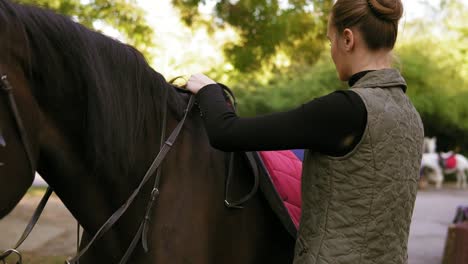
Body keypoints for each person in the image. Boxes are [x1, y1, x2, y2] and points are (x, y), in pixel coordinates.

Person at [186, 0, 424, 263]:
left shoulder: (345, 110)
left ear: (347, 39)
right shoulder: (411, 116)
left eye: (330, 40)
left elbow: (226, 132)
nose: (332, 50)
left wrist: (209, 90)